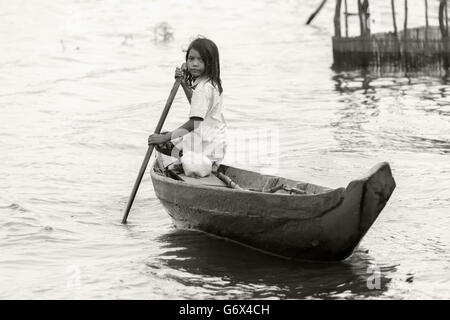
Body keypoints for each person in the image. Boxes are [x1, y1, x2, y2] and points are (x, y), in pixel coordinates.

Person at [148, 37, 227, 177]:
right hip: (216, 145)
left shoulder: (202, 89)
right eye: (191, 59)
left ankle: (189, 162)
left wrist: (165, 138)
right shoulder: (213, 83)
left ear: (210, 63)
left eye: (200, 60)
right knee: (168, 136)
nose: (194, 64)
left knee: (161, 141)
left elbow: (195, 122)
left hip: (204, 148)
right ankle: (197, 162)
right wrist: (184, 83)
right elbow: (198, 107)